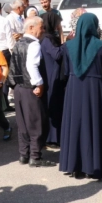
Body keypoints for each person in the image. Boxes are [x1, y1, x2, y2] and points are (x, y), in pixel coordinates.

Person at [60, 13, 102, 179]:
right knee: (96, 123)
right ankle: (97, 165)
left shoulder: (68, 46)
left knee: (76, 123)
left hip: (74, 88)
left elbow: (65, 71)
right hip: (96, 89)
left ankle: (75, 165)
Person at [7, 16, 56, 167]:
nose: (42, 30)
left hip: (18, 88)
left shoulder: (18, 43)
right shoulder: (33, 44)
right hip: (30, 88)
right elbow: (31, 66)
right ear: (31, 28)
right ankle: (35, 156)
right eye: (40, 27)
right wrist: (39, 84)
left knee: (22, 123)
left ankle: (24, 154)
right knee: (36, 122)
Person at [39, 12, 66, 147]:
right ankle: (53, 138)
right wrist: (67, 44)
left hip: (50, 74)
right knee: (54, 106)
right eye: (57, 22)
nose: (58, 25)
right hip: (51, 76)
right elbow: (57, 54)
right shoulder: (47, 39)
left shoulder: (47, 37)